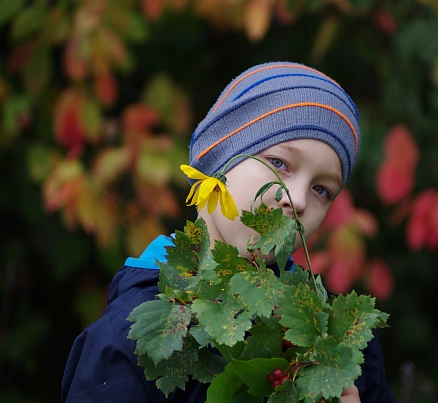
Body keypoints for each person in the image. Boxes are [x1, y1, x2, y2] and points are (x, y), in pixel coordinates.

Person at [61, 61, 396, 403]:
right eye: (279, 163)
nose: (297, 200)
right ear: (217, 160)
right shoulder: (131, 340)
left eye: (322, 189)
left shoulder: (339, 345)